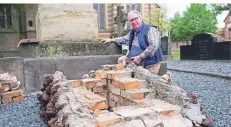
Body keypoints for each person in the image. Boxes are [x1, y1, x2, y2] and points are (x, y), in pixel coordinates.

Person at [103, 10, 172, 84]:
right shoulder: (133, 31)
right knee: (121, 60)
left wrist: (140, 57)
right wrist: (112, 40)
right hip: (137, 58)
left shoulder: (150, 29)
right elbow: (125, 39)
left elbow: (153, 46)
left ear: (140, 18)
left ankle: (166, 77)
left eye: (135, 19)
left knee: (150, 82)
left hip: (151, 61)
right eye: (131, 20)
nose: (134, 21)